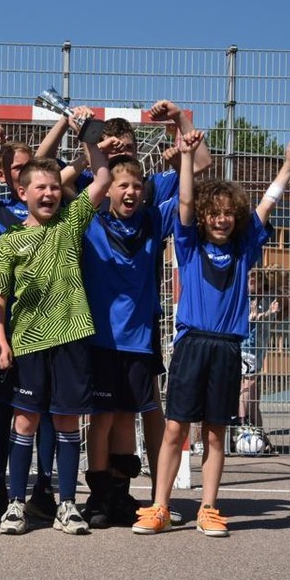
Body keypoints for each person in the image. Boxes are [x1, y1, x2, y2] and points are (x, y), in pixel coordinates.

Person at [133, 133, 290, 538]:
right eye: (216, 212)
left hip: (227, 347)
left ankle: (209, 507)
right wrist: (187, 159)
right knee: (176, 428)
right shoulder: (189, 244)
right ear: (206, 216)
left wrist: (287, 168)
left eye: (229, 213)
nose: (222, 218)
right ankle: (160, 506)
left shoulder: (246, 247)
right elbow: (186, 203)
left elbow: (267, 203)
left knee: (214, 431)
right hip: (192, 344)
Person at [0, 131, 118, 536]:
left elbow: (102, 178)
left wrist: (90, 137)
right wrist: (0, 336)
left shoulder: (70, 222)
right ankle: (15, 505)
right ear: (22, 192)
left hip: (72, 336)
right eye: (39, 187)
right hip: (27, 341)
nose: (48, 194)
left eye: (53, 187)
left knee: (65, 422)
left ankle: (67, 505)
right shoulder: (9, 241)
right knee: (24, 422)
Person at [80, 155, 177, 529]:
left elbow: (187, 194)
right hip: (102, 338)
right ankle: (99, 493)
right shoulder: (91, 221)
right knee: (101, 418)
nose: (131, 191)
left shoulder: (152, 221)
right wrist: (92, 145)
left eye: (137, 185)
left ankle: (120, 492)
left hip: (139, 340)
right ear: (108, 191)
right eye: (122, 185)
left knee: (126, 417)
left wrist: (183, 142)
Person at [238, 268, 281, 454]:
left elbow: (279, 309)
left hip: (259, 349)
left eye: (256, 281)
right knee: (248, 384)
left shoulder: (267, 296)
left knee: (254, 393)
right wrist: (260, 316)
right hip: (247, 347)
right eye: (250, 281)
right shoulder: (243, 297)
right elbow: (246, 319)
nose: (252, 285)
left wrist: (270, 313)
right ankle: (241, 423)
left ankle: (260, 435)